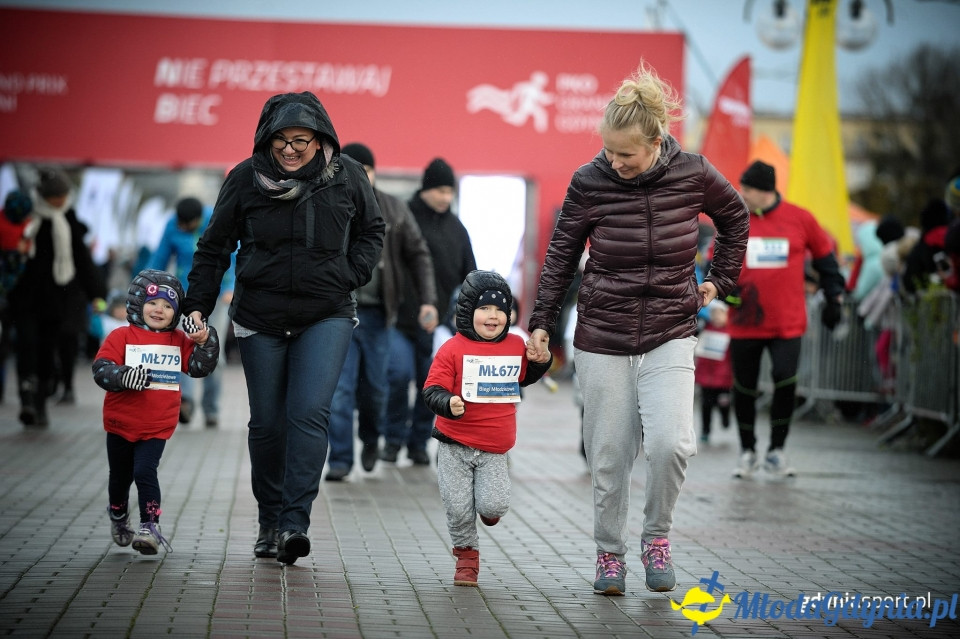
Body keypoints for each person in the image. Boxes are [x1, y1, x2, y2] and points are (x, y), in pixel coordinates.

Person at [526, 63, 749, 596]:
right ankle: (609, 554)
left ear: (655, 142)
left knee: (672, 444)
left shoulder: (693, 172)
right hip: (603, 332)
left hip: (671, 328)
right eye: (608, 150)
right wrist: (541, 325)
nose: (614, 161)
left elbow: (736, 217)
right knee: (609, 454)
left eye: (625, 153)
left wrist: (718, 281)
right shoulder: (589, 181)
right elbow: (560, 255)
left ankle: (656, 538)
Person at [182, 91, 384, 565]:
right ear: (266, 140)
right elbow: (213, 248)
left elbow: (373, 232)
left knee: (309, 413)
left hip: (326, 313)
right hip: (260, 316)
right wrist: (197, 305)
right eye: (281, 141)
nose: (290, 149)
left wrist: (349, 274)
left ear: (320, 139)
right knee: (268, 425)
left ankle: (295, 522)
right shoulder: (244, 180)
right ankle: (269, 519)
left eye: (301, 140)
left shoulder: (348, 176)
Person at [422, 270, 552, 586]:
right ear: (468, 311)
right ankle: (467, 558)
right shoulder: (452, 348)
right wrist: (447, 402)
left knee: (493, 504)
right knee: (458, 508)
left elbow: (528, 373)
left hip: (495, 447)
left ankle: (488, 508)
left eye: (500, 308)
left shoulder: (514, 345)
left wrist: (542, 358)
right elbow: (431, 387)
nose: (493, 316)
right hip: (455, 443)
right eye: (484, 308)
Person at [325, 143, 439, 481]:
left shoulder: (393, 209)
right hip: (338, 313)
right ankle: (341, 460)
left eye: (365, 169)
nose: (358, 175)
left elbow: (419, 255)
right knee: (341, 390)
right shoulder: (328, 203)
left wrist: (428, 300)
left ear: (374, 172)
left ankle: (371, 439)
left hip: (377, 315)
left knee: (376, 387)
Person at [728, 160, 846, 479]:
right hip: (745, 322)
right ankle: (747, 450)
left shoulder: (800, 218)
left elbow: (826, 261)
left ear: (765, 191)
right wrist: (726, 292)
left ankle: (776, 451)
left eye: (747, 189)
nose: (741, 194)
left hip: (787, 323)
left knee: (784, 380)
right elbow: (717, 263)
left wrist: (835, 295)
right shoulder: (736, 218)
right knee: (744, 388)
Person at [92, 269, 219, 555]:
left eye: (167, 305)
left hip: (156, 425)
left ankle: (150, 525)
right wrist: (122, 376)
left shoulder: (177, 339)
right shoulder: (120, 336)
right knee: (120, 476)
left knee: (145, 471)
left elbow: (199, 367)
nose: (159, 310)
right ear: (138, 304)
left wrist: (205, 341)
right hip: (121, 422)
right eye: (152, 303)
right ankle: (117, 513)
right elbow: (100, 369)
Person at [382, 157, 476, 466]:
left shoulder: (457, 229)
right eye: (439, 190)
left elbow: (470, 275)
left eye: (450, 192)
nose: (445, 197)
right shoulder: (404, 218)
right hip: (398, 320)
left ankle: (418, 443)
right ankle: (392, 440)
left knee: (431, 384)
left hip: (436, 326)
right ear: (425, 189)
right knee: (398, 376)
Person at [9, 167, 107, 426]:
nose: (62, 201)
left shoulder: (69, 220)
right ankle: (27, 398)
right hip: (25, 296)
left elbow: (83, 260)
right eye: (57, 197)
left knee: (44, 350)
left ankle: (39, 403)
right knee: (26, 346)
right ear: (44, 196)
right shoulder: (27, 217)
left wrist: (98, 293)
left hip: (56, 300)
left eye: (64, 196)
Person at [149, 196, 235, 427]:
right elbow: (160, 257)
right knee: (181, 348)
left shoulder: (216, 219)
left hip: (216, 294)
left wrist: (231, 287)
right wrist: (147, 285)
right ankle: (185, 402)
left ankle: (211, 409)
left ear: (198, 220)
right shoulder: (172, 224)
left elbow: (235, 254)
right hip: (183, 296)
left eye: (188, 226)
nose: (183, 229)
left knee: (212, 352)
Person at [0, 190, 32, 403]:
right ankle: (25, 391)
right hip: (22, 299)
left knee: (4, 346)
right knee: (21, 346)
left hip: (11, 298)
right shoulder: (28, 228)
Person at [694, 300, 733, 443]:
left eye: (720, 314)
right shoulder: (705, 329)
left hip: (724, 377)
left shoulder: (731, 332)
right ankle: (705, 430)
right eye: (713, 313)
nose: (716, 317)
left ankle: (725, 417)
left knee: (723, 402)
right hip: (706, 376)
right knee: (706, 405)